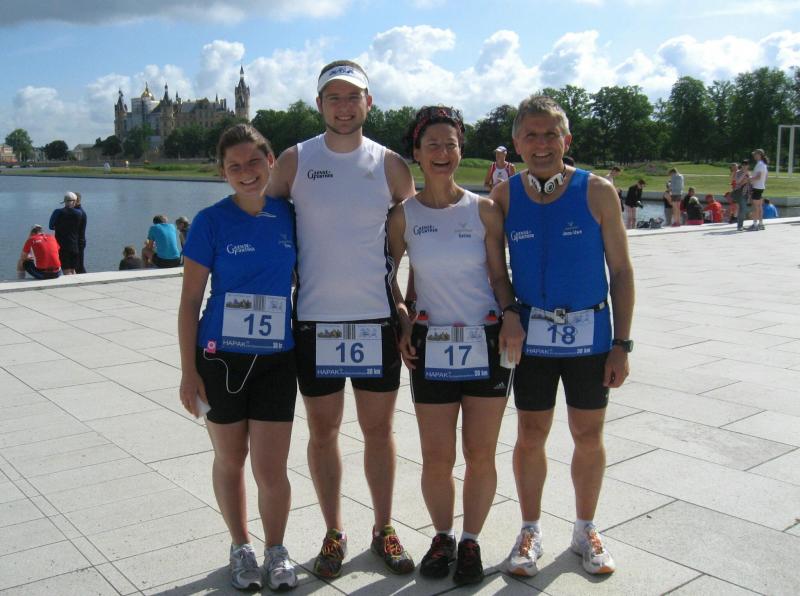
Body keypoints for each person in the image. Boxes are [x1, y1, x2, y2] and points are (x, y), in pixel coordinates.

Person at [266, 59, 416, 578]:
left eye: (354, 96)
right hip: (315, 321)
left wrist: (405, 301)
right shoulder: (295, 160)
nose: (344, 106)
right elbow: (268, 223)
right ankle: (334, 531)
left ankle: (384, 527)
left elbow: (417, 234)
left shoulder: (391, 164)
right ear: (319, 104)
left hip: (375, 319)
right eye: (334, 97)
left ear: (369, 102)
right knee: (323, 432)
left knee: (379, 431)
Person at [490, 95, 634, 577]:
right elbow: (496, 270)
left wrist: (622, 344)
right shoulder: (505, 196)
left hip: (590, 337)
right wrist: (508, 311)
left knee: (587, 434)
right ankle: (529, 528)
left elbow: (621, 271)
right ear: (516, 143)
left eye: (550, 134)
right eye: (530, 135)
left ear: (566, 140)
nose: (541, 144)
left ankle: (585, 528)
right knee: (530, 434)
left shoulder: (597, 191)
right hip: (532, 337)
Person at [388, 107, 522, 586]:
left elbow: (499, 276)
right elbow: (390, 277)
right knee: (437, 456)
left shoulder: (484, 210)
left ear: (461, 151)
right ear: (417, 153)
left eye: (451, 145)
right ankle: (442, 536)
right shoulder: (403, 216)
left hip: (485, 340)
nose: (442, 153)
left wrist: (511, 313)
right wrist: (403, 315)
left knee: (480, 453)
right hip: (432, 344)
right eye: (433, 145)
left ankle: (471, 540)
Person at [178, 124, 299, 592]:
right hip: (220, 358)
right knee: (230, 458)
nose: (246, 173)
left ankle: (276, 549)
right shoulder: (210, 221)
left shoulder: (289, 214)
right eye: (234, 166)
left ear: (270, 162)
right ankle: (240, 545)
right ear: (222, 172)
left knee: (271, 468)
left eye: (253, 162)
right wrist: (188, 371)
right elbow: (190, 301)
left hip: (276, 360)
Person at [49, 191, 85, 275]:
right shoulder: (79, 213)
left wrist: (59, 227)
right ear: (75, 202)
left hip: (62, 245)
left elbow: (51, 226)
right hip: (74, 245)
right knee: (73, 270)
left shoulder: (58, 212)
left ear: (65, 202)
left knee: (66, 270)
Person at [749, 149, 769, 230]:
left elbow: (758, 177)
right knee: (759, 206)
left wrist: (749, 178)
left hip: (757, 187)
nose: (754, 156)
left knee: (755, 207)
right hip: (760, 187)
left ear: (759, 155)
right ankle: (760, 224)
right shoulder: (763, 164)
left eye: (755, 154)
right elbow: (766, 176)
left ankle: (755, 225)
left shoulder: (760, 164)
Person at [732, 160, 751, 231]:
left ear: (748, 166)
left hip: (746, 193)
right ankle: (739, 226)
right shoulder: (738, 172)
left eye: (746, 165)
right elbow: (737, 181)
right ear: (741, 165)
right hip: (740, 193)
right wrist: (744, 174)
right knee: (743, 209)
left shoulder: (749, 173)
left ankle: (740, 225)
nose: (744, 166)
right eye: (743, 165)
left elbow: (750, 183)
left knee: (742, 209)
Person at [73, 192, 87, 273]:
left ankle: (86, 278)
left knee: (79, 266)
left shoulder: (78, 213)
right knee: (78, 265)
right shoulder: (79, 211)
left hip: (78, 242)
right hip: (79, 241)